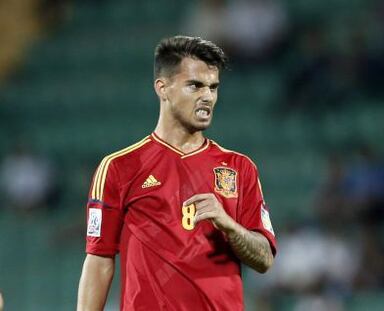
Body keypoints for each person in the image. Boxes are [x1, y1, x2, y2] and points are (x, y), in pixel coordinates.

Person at [77, 35, 276, 311]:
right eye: (195, 85)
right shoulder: (119, 168)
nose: (207, 96)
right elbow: (99, 260)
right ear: (163, 88)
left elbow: (264, 259)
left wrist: (229, 226)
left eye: (213, 87)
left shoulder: (239, 168)